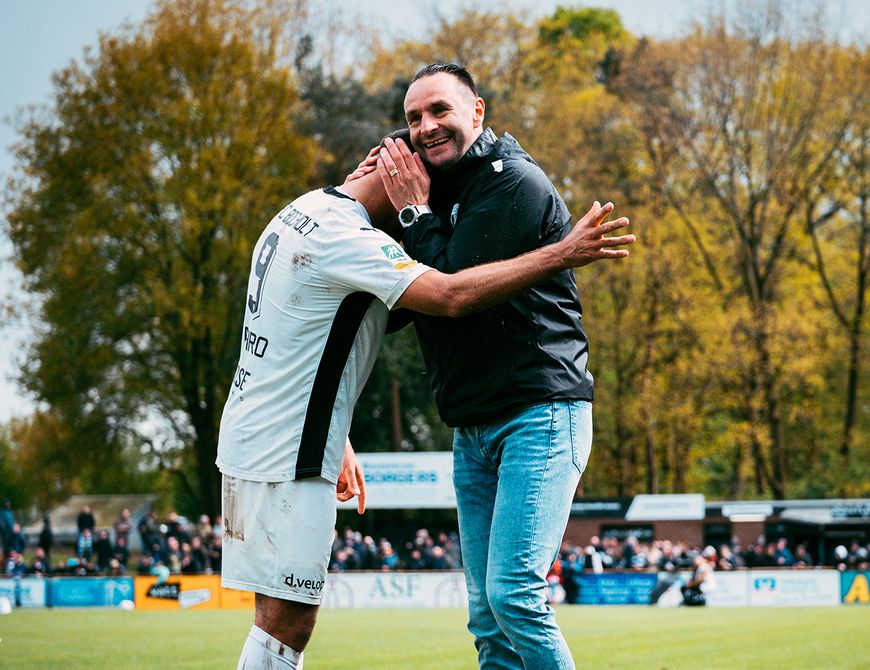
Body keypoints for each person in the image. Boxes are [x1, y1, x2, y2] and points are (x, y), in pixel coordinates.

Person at [216, 128, 632, 669]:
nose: (426, 209)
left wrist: (335, 427)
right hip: (289, 449)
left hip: (255, 433)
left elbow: (301, 328)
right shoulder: (355, 240)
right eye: (421, 191)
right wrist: (564, 252)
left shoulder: (305, 208)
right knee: (287, 622)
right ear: (391, 171)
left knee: (276, 619)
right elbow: (451, 293)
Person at [365, 63, 635, 668]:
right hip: (472, 428)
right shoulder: (435, 190)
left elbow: (449, 291)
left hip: (538, 413)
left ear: (478, 112)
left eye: (440, 111)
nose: (426, 127)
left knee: (515, 595)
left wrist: (409, 215)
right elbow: (399, 302)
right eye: (413, 119)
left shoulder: (511, 181)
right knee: (486, 617)